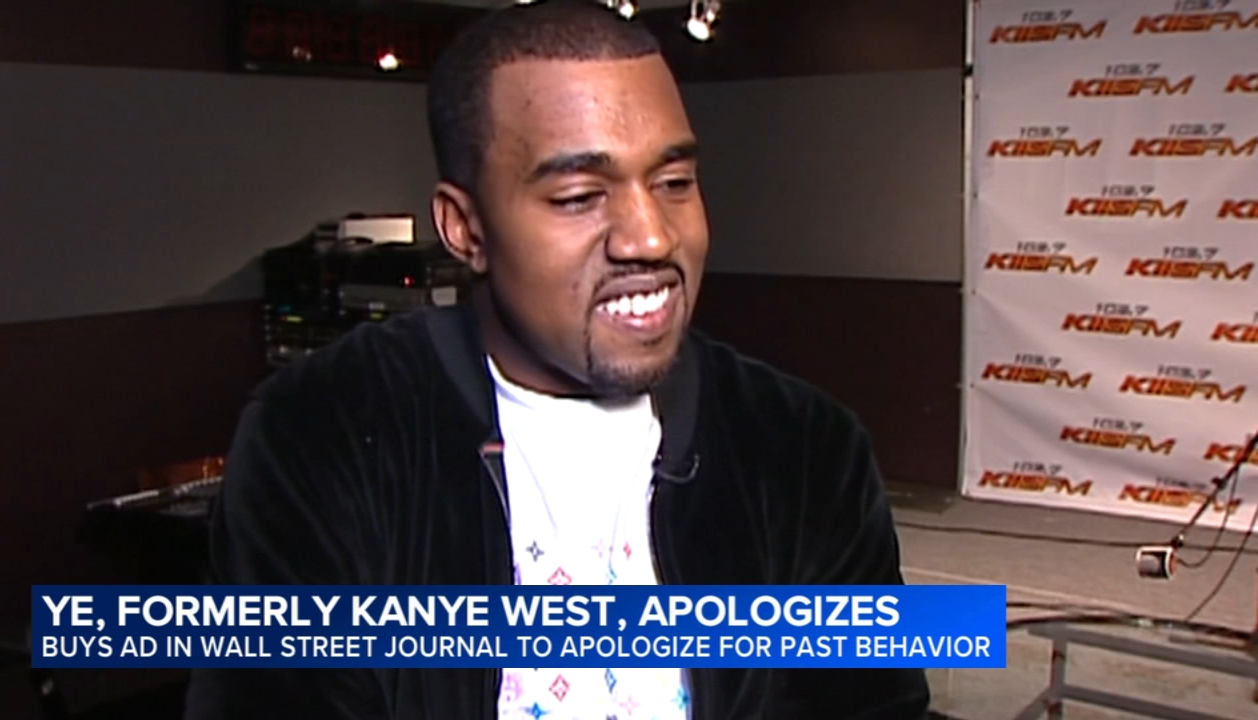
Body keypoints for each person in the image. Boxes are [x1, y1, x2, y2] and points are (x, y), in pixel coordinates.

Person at [183, 1, 930, 718]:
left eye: (674, 183)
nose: (650, 237)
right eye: (578, 196)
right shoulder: (323, 435)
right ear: (465, 228)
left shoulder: (804, 450)